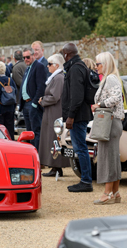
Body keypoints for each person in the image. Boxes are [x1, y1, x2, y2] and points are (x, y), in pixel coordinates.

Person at [92, 52, 124, 204]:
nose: (95, 66)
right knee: (112, 157)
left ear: (105, 64)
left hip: (109, 123)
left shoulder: (110, 79)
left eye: (97, 64)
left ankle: (107, 193)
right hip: (112, 122)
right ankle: (115, 192)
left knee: (107, 157)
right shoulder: (111, 78)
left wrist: (99, 104)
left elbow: (116, 98)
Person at [61, 43, 93, 192]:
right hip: (79, 115)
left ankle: (86, 181)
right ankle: (85, 179)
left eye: (63, 54)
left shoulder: (75, 68)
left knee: (81, 149)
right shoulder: (78, 66)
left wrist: (71, 116)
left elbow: (77, 96)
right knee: (81, 148)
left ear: (67, 54)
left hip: (78, 116)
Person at [39, 54, 69, 177]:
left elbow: (55, 96)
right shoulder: (56, 77)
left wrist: (43, 100)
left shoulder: (58, 78)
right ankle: (54, 166)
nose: (48, 66)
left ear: (57, 65)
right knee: (50, 137)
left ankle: (57, 166)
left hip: (55, 112)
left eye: (50, 64)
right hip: (51, 111)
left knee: (54, 137)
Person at [19, 47, 47, 150]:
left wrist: (35, 103)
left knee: (36, 131)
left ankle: (37, 157)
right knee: (29, 132)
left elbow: (41, 87)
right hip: (26, 104)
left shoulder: (39, 67)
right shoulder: (28, 68)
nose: (26, 59)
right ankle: (31, 155)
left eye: (27, 57)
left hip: (33, 103)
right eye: (24, 57)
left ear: (33, 56)